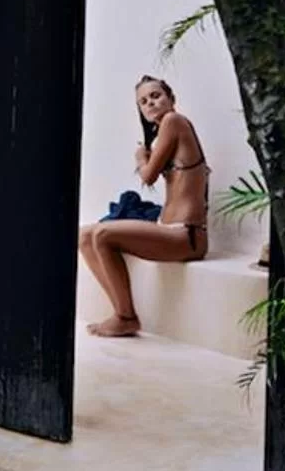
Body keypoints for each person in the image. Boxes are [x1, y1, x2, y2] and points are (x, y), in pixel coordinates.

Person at [77, 75, 209, 337]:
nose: (150, 103)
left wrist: (140, 158)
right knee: (84, 235)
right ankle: (121, 311)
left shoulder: (174, 121)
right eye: (143, 101)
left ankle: (126, 316)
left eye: (156, 95)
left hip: (187, 235)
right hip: (169, 229)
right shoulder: (165, 133)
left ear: (172, 99)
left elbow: (147, 175)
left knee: (103, 234)